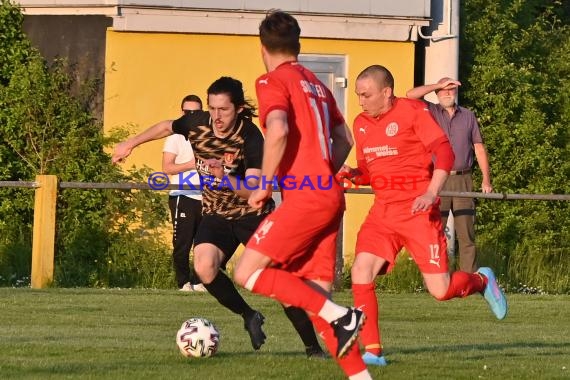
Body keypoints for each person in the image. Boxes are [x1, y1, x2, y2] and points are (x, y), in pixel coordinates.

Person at [112, 77, 325, 357]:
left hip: (252, 215)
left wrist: (224, 177)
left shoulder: (250, 138)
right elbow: (166, 126)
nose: (216, 116)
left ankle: (313, 348)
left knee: (279, 281)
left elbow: (251, 192)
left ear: (237, 108)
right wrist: (131, 143)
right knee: (204, 267)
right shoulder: (197, 123)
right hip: (216, 215)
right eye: (212, 108)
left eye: (223, 110)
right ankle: (249, 315)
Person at [231, 11, 372, 380]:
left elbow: (277, 130)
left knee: (246, 272)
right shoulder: (318, 85)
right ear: (299, 46)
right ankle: (360, 376)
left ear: (263, 48)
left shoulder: (271, 81)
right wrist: (324, 171)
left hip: (306, 198)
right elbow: (344, 141)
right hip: (329, 195)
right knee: (315, 299)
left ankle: (344, 315)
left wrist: (264, 183)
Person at [340, 65, 507, 367]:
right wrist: (352, 174)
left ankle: (481, 280)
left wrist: (431, 192)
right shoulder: (361, 123)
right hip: (384, 213)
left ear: (386, 92)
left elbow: (444, 152)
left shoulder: (414, 111)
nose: (360, 101)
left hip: (419, 212)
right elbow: (368, 171)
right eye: (358, 95)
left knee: (441, 291)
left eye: (366, 94)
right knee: (360, 272)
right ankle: (374, 352)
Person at [406, 77, 492, 273]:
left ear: (456, 93)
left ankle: (468, 279)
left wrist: (486, 180)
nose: (447, 93)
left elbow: (478, 148)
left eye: (451, 90)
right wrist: (438, 84)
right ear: (437, 93)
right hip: (437, 180)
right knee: (435, 231)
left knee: (466, 234)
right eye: (443, 91)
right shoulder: (432, 112)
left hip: (463, 179)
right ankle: (437, 277)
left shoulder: (468, 116)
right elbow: (410, 94)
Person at [162, 94, 206, 292]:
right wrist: (193, 164)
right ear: (182, 113)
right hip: (183, 194)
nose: (191, 116)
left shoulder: (208, 136)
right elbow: (167, 168)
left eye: (195, 112)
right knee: (182, 242)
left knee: (204, 242)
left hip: (206, 195)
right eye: (188, 112)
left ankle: (200, 281)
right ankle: (183, 282)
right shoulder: (175, 138)